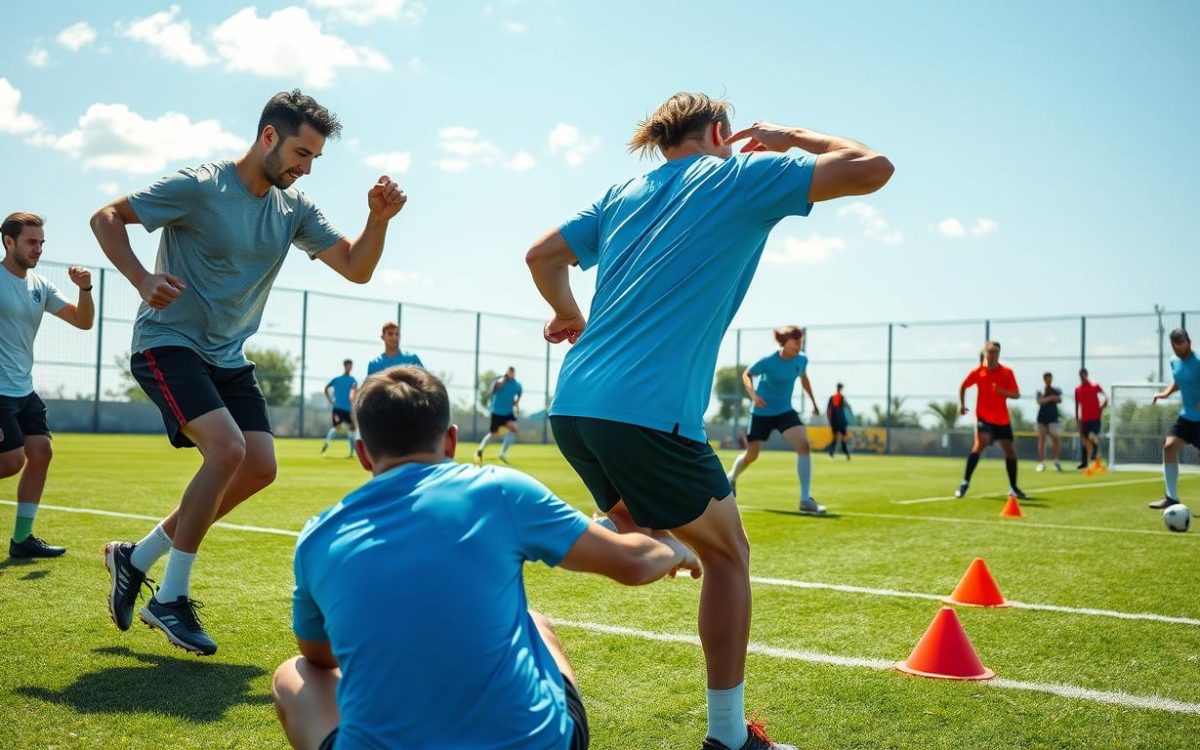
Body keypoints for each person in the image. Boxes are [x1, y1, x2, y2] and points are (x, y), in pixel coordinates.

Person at [526, 91, 892, 750]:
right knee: (729, 557)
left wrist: (570, 313)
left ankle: (592, 539)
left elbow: (541, 257)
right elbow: (873, 167)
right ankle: (729, 739)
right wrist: (790, 135)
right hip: (646, 415)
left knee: (650, 531)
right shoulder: (739, 174)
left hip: (574, 406)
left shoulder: (622, 192)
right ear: (721, 132)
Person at [92, 89, 407, 655]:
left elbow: (357, 268)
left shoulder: (295, 210)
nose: (306, 167)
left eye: (313, 159)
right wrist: (142, 279)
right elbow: (107, 216)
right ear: (269, 136)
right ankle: (170, 597)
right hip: (169, 344)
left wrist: (376, 220)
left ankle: (134, 558)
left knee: (259, 466)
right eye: (301, 153)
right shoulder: (200, 185)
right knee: (228, 451)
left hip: (228, 357)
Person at [272, 367, 699, 749]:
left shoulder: (318, 535)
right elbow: (634, 562)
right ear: (452, 440)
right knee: (533, 621)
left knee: (293, 673)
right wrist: (674, 548)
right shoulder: (500, 489)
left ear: (364, 453)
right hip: (536, 742)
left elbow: (320, 655)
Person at [1, 213, 94, 558]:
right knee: (11, 461)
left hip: (23, 390)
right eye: (31, 242)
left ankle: (22, 540)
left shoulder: (40, 285)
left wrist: (85, 289)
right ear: (9, 242)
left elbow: (83, 322)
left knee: (40, 452)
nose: (38, 248)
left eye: (41, 242)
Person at [725, 326, 824, 512]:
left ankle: (805, 499)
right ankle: (731, 478)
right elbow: (747, 374)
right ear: (784, 342)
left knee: (804, 445)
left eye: (800, 342)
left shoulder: (802, 360)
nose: (799, 346)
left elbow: (804, 378)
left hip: (785, 411)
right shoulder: (768, 361)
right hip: (761, 412)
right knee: (752, 455)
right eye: (795, 342)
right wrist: (753, 396)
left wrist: (814, 402)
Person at [955, 341, 1025, 499]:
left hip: (1002, 419)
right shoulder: (978, 372)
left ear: (999, 353)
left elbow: (1016, 394)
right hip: (983, 418)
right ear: (985, 353)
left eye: (995, 351)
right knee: (981, 442)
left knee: (1010, 452)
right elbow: (963, 386)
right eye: (990, 351)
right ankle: (964, 483)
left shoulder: (1007, 372)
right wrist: (962, 405)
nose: (992, 354)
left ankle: (1014, 487)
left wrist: (1002, 392)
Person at [1150, 329, 1200, 510]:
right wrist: (1164, 393)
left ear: (1189, 341)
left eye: (1181, 342)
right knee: (1169, 447)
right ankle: (1171, 498)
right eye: (1175, 343)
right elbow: (1179, 381)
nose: (1179, 346)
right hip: (1186, 417)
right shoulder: (1173, 361)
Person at [475, 366, 522, 464]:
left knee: (513, 429)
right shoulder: (500, 381)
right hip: (496, 412)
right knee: (494, 434)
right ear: (507, 372)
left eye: (513, 372)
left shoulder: (517, 385)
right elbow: (491, 390)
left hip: (508, 413)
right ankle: (480, 449)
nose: (511, 374)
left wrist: (517, 406)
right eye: (510, 372)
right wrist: (498, 384)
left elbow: (518, 395)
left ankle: (502, 454)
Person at [320, 359, 357, 457]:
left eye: (350, 366)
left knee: (352, 429)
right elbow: (326, 388)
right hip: (337, 408)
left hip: (347, 409)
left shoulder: (353, 380)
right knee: (337, 428)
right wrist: (329, 400)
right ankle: (326, 443)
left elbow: (354, 392)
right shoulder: (337, 379)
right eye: (347, 366)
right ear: (344, 366)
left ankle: (352, 451)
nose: (349, 368)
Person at [1074, 368, 1108, 474]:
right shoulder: (1078, 389)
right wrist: (1077, 419)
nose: (1082, 376)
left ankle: (1094, 454)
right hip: (1084, 419)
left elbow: (1105, 397)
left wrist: (1103, 405)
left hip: (1095, 418)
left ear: (1087, 374)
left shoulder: (1095, 386)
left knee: (1092, 436)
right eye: (1080, 374)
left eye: (1083, 374)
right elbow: (1077, 406)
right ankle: (1085, 462)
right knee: (1084, 441)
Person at [1035, 372, 1063, 472]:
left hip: (1053, 418)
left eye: (1050, 378)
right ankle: (1041, 463)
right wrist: (1051, 398)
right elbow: (1039, 401)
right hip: (1042, 418)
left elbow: (1059, 399)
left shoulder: (1056, 390)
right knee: (1042, 441)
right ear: (1044, 379)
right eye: (1046, 378)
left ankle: (1056, 462)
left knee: (1056, 441)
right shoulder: (1040, 390)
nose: (1048, 380)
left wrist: (1047, 399)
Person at [826, 382, 852, 460]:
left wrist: (829, 420)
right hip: (841, 420)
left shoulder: (832, 397)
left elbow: (828, 410)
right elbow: (847, 407)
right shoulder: (841, 397)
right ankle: (846, 454)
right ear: (841, 388)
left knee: (835, 438)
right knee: (843, 437)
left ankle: (831, 453)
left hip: (834, 420)